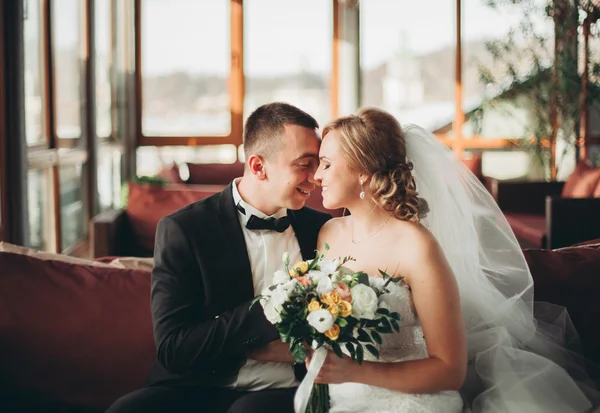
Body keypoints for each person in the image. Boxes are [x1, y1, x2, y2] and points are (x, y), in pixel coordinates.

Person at [307, 107, 600, 412]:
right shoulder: (329, 234)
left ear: (362, 171)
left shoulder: (417, 247)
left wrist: (357, 372)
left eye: (326, 165)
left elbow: (450, 370)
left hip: (409, 397)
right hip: (341, 392)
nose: (317, 176)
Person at [106, 102, 331, 413]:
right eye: (304, 164)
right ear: (258, 167)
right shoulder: (184, 229)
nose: (316, 177)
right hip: (196, 385)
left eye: (318, 164)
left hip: (286, 389)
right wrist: (270, 308)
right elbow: (175, 348)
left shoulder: (323, 230)